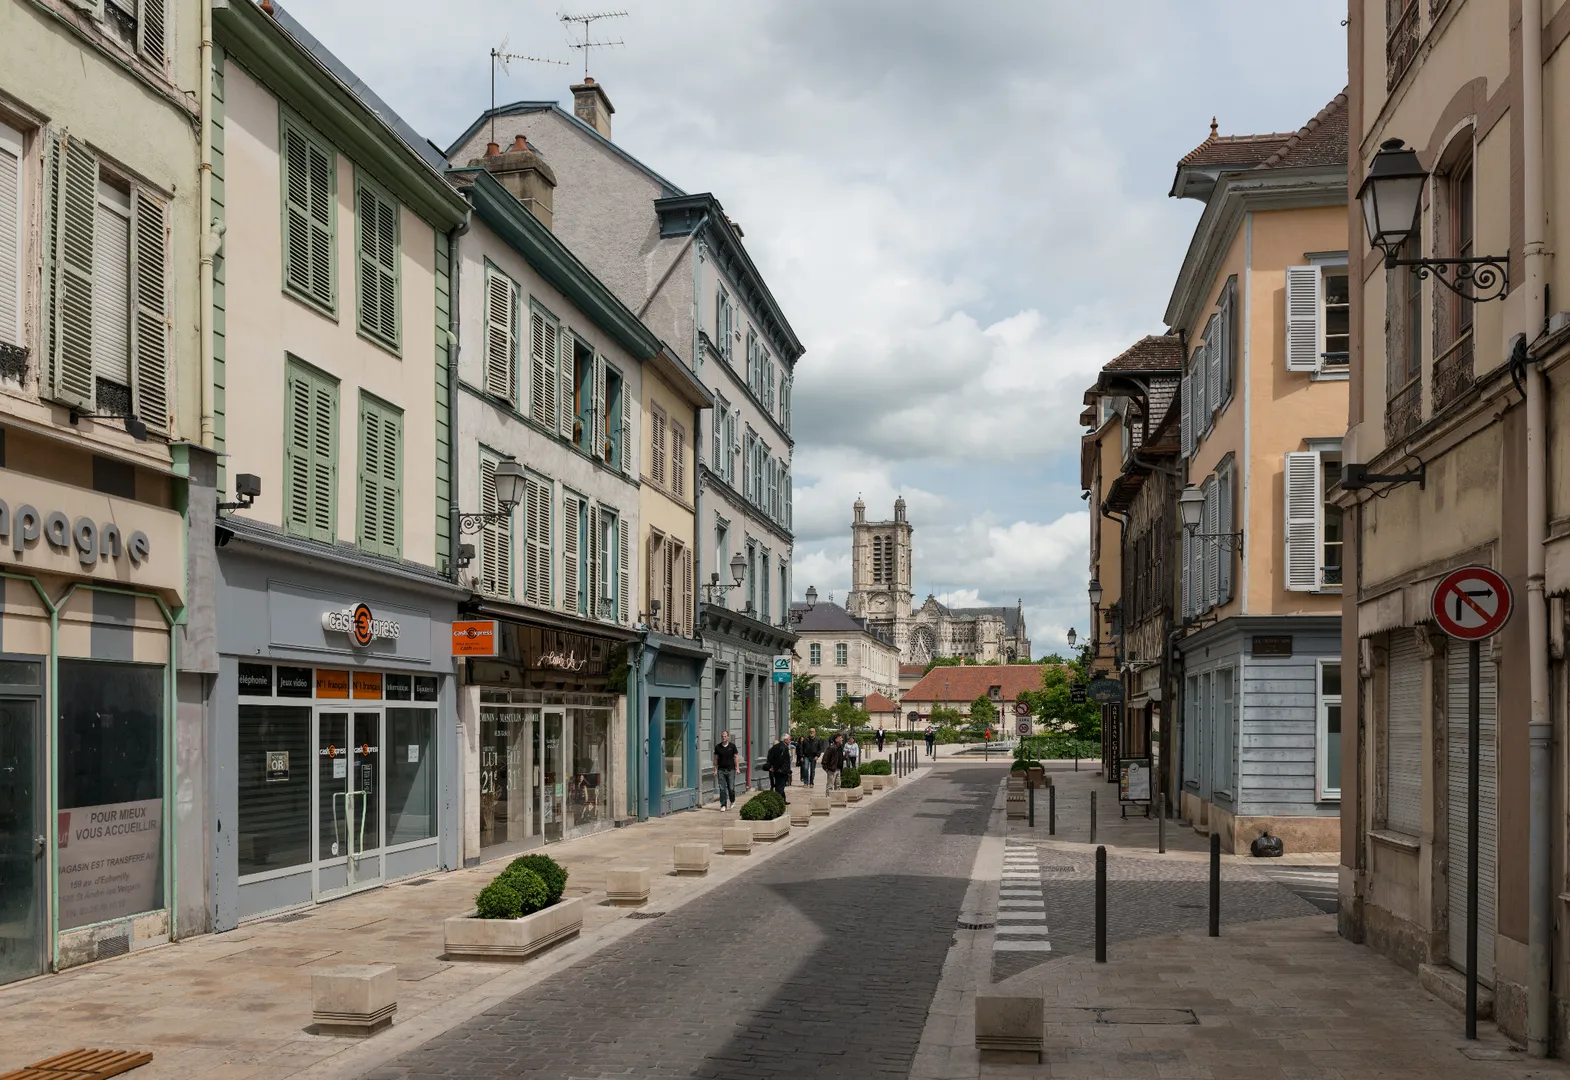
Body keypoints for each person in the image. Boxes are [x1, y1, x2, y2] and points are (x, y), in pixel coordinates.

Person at [714, 731, 740, 810]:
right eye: (722, 736)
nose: (723, 738)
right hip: (721, 770)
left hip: (730, 770)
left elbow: (736, 757)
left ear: (728, 737)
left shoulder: (732, 746)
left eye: (725, 736)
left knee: (731, 788)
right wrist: (715, 770)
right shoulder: (718, 747)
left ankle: (732, 801)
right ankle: (723, 805)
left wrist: (737, 768)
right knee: (722, 788)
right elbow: (716, 759)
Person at [766, 733, 793, 801]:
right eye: (789, 739)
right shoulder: (783, 747)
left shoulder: (780, 746)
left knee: (780, 786)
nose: (790, 740)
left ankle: (783, 800)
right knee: (780, 787)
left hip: (779, 770)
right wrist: (774, 768)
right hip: (781, 770)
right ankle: (778, 801)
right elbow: (780, 760)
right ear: (785, 740)